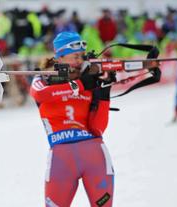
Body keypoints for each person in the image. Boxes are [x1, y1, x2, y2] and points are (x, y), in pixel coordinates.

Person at [30, 32, 115, 207]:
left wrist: (104, 93)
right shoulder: (43, 78)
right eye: (75, 56)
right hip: (61, 159)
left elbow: (97, 129)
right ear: (59, 57)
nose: (79, 61)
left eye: (81, 56)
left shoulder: (89, 80)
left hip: (94, 155)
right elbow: (40, 94)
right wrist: (79, 85)